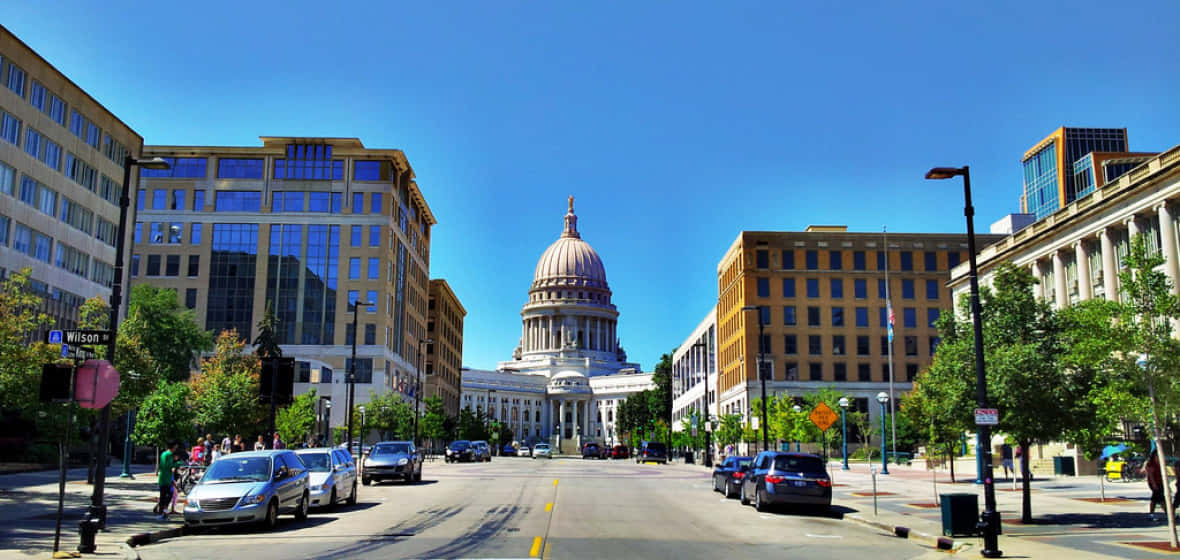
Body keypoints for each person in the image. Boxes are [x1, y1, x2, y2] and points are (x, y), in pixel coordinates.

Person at [156, 442, 184, 520]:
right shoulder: (168, 455)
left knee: (166, 495)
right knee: (165, 496)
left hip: (165, 478)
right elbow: (166, 466)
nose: (175, 449)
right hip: (166, 478)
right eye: (175, 447)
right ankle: (162, 513)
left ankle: (163, 512)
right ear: (172, 447)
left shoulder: (164, 454)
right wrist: (177, 464)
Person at [1147, 450, 1165, 516]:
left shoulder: (1160, 463)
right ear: (1154, 456)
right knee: (1160, 498)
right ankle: (1168, 513)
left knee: (1156, 498)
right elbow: (1151, 475)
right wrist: (1154, 484)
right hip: (1154, 483)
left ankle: (1151, 513)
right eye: (1158, 455)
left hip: (1160, 482)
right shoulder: (1151, 464)